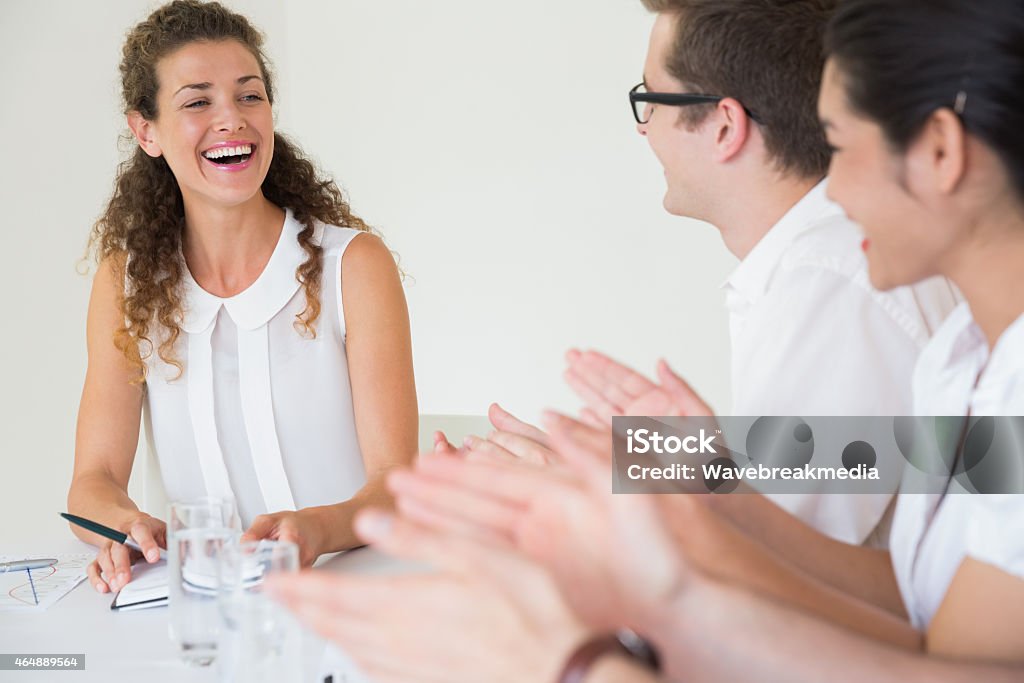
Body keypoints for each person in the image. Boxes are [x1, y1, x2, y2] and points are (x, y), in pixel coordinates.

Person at [271, 0, 1024, 680]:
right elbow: (907, 577)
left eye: (845, 147)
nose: (837, 186)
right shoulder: (962, 348)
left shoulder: (832, 278)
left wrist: (617, 616)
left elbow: (881, 623)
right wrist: (655, 466)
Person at [442, 0, 959, 546]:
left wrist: (578, 496)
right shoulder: (826, 266)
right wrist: (601, 472)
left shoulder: (828, 284)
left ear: (724, 126)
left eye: (650, 100)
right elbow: (783, 485)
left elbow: (773, 561)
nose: (645, 132)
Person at [67, 0, 417, 593]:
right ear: (145, 131)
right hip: (207, 608)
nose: (232, 119)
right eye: (198, 101)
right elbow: (94, 480)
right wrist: (125, 526)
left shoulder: (352, 266)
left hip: (356, 596)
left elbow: (395, 483)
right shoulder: (125, 282)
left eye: (249, 95)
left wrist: (319, 529)